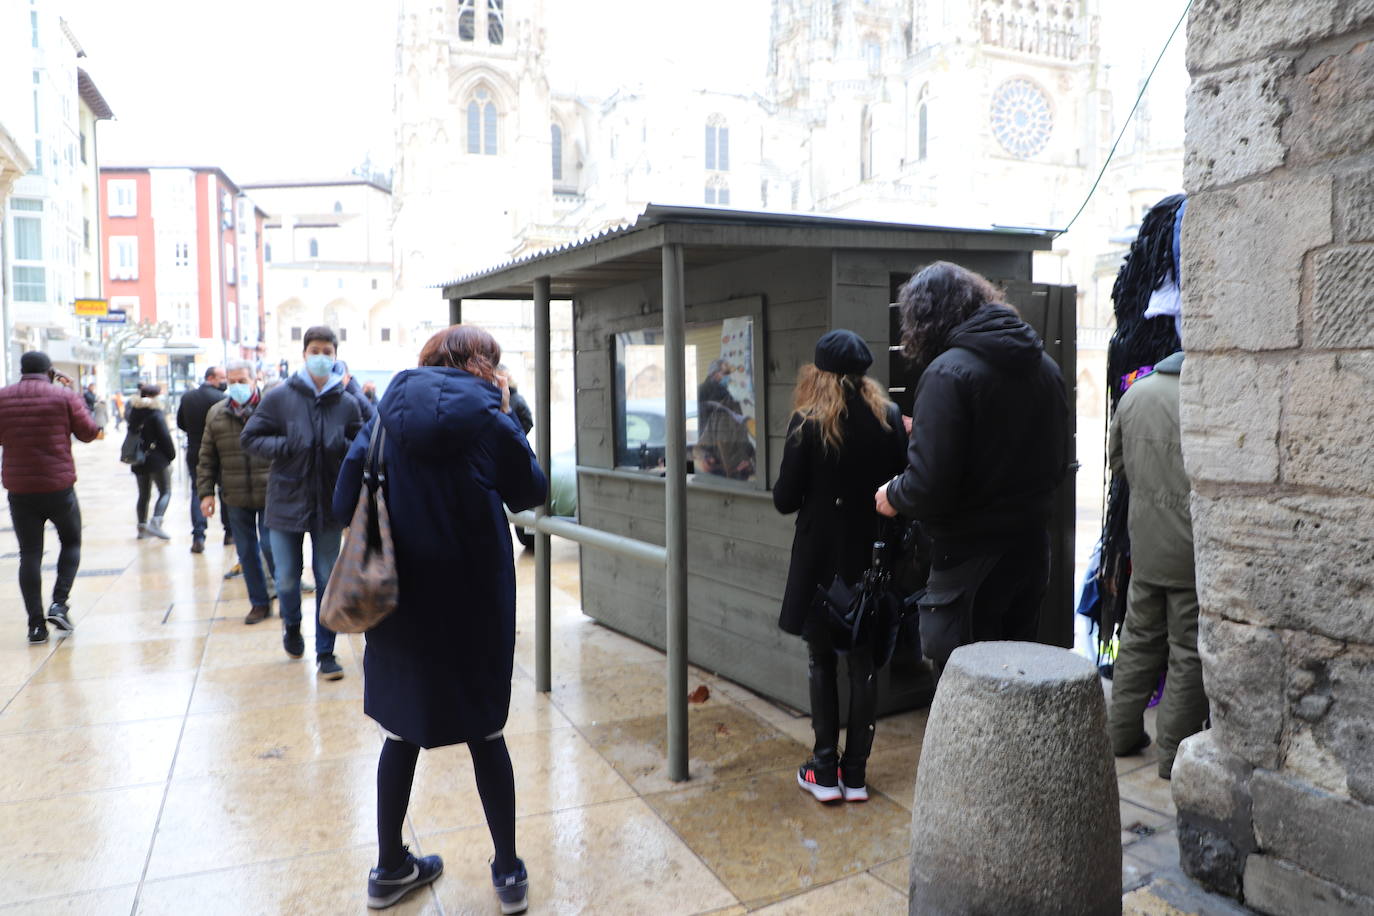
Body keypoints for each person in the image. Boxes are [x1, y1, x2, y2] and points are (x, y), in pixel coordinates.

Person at [333, 324, 545, 912]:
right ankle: (507, 874)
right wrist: (512, 418)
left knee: (400, 735)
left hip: (399, 603)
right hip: (476, 604)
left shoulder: (383, 417)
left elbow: (339, 501)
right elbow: (531, 491)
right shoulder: (491, 419)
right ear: (487, 367)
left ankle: (389, 869)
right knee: (487, 734)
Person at [876, 262, 1070, 664]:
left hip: (968, 563)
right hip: (1031, 552)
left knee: (965, 698)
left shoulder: (947, 373)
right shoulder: (1045, 367)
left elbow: (927, 486)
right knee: (1016, 683)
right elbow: (1052, 463)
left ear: (926, 317)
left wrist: (892, 494)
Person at [774, 330, 908, 804]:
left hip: (819, 566)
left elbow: (784, 499)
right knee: (863, 664)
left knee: (821, 661)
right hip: (870, 563)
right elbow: (902, 487)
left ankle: (824, 769)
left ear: (818, 373)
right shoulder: (888, 417)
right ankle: (855, 775)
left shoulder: (807, 422)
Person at [242, 326, 363, 680]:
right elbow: (251, 437)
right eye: (315, 349)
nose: (321, 356)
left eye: (327, 350)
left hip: (328, 505)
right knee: (286, 580)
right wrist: (286, 446)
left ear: (335, 356)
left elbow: (362, 442)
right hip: (285, 503)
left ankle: (326, 651)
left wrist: (343, 447)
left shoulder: (346, 402)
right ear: (305, 353)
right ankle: (292, 626)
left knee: (327, 578)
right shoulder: (280, 397)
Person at [1106, 351, 1206, 779]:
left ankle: (1119, 734)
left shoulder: (1135, 395)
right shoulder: (1203, 398)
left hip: (1145, 543)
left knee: (1138, 639)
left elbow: (1118, 465)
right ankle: (1172, 757)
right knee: (1187, 650)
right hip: (1191, 551)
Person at [0, 352, 101, 643]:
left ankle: (35, 625)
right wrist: (73, 395)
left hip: (20, 489)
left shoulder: (4, 397)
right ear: (50, 371)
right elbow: (89, 432)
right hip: (58, 487)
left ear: (22, 370)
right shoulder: (63, 396)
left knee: (29, 554)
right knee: (71, 541)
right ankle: (59, 602)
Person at [197, 360, 276, 625]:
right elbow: (207, 456)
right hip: (234, 494)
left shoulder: (272, 409)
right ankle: (259, 603)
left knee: (271, 546)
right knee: (246, 551)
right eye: (232, 382)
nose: (237, 386)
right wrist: (205, 493)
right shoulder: (216, 413)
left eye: (242, 381)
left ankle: (284, 596)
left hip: (270, 493)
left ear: (255, 381)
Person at [177, 366, 228, 553]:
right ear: (211, 378)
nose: (225, 381)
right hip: (220, 451)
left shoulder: (188, 397)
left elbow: (180, 422)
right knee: (225, 491)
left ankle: (198, 535)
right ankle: (229, 532)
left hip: (195, 450)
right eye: (222, 377)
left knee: (198, 490)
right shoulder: (222, 399)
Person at [126, 383, 177, 540]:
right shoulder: (156, 413)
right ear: (156, 396)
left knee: (143, 494)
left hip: (138, 458)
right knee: (165, 491)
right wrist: (171, 455)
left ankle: (142, 528)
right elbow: (164, 437)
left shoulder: (133, 413)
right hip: (156, 459)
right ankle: (156, 521)